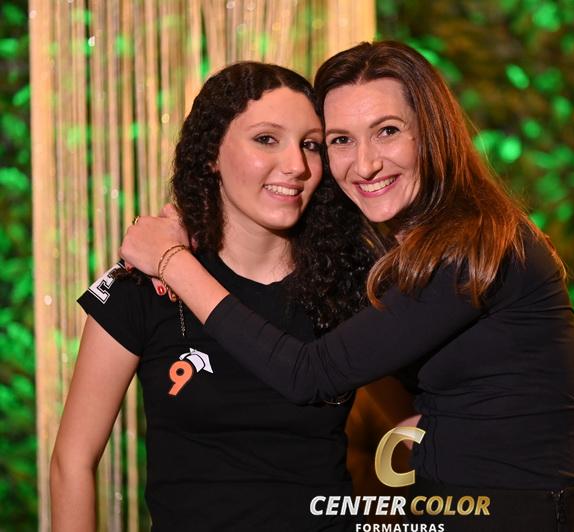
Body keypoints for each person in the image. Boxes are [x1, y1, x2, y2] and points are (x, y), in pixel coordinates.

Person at [121, 42, 574, 530]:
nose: (365, 164)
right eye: (340, 141)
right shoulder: (397, 253)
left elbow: (310, 376)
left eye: (387, 131)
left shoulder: (474, 244)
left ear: (431, 132)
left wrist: (171, 262)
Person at [49, 61, 379, 531]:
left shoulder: (349, 282)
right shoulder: (140, 282)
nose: (297, 165)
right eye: (266, 139)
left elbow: (427, 409)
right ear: (211, 155)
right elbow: (73, 461)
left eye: (310, 144)